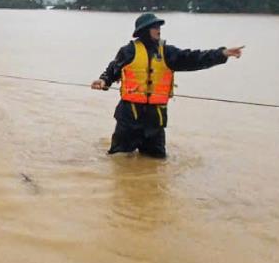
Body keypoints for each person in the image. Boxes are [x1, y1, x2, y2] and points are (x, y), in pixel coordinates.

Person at [91, 13, 243, 158]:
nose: (159, 30)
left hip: (155, 120)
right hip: (129, 118)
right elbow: (113, 69)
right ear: (144, 31)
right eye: (155, 27)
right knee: (119, 159)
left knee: (156, 162)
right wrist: (103, 81)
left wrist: (222, 54)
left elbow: (194, 58)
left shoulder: (168, 52)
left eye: (159, 27)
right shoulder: (128, 51)